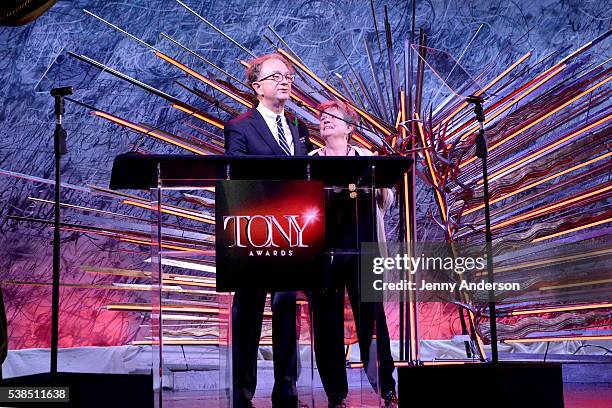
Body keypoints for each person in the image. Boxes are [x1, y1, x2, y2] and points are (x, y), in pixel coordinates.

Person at [224, 53, 309, 408]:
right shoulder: (240, 126)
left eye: (288, 76)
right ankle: (243, 389)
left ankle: (286, 386)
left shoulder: (298, 129)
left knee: (287, 304)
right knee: (249, 308)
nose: (285, 81)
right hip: (254, 227)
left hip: (293, 229)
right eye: (276, 76)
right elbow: (237, 171)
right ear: (257, 87)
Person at [309, 101, 398, 408]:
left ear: (349, 128)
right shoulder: (309, 161)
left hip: (363, 250)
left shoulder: (367, 159)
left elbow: (388, 198)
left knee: (372, 320)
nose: (325, 122)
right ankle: (335, 393)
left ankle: (386, 388)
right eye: (321, 118)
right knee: (326, 321)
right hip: (323, 253)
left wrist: (375, 183)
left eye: (332, 118)